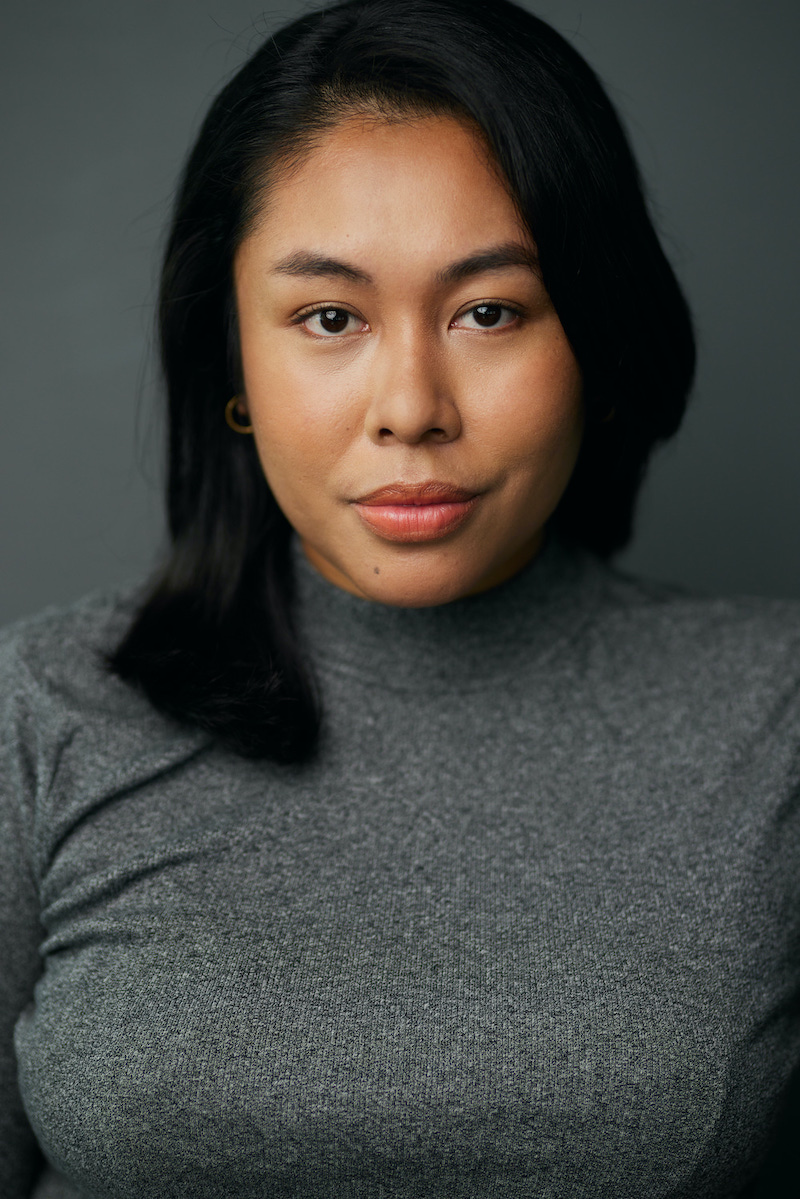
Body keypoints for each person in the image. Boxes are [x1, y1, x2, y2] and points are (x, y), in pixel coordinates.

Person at [1, 0, 798, 1194]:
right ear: (232, 358)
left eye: (489, 310)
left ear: (594, 334)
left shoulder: (776, 713)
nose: (412, 405)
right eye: (329, 316)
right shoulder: (34, 714)